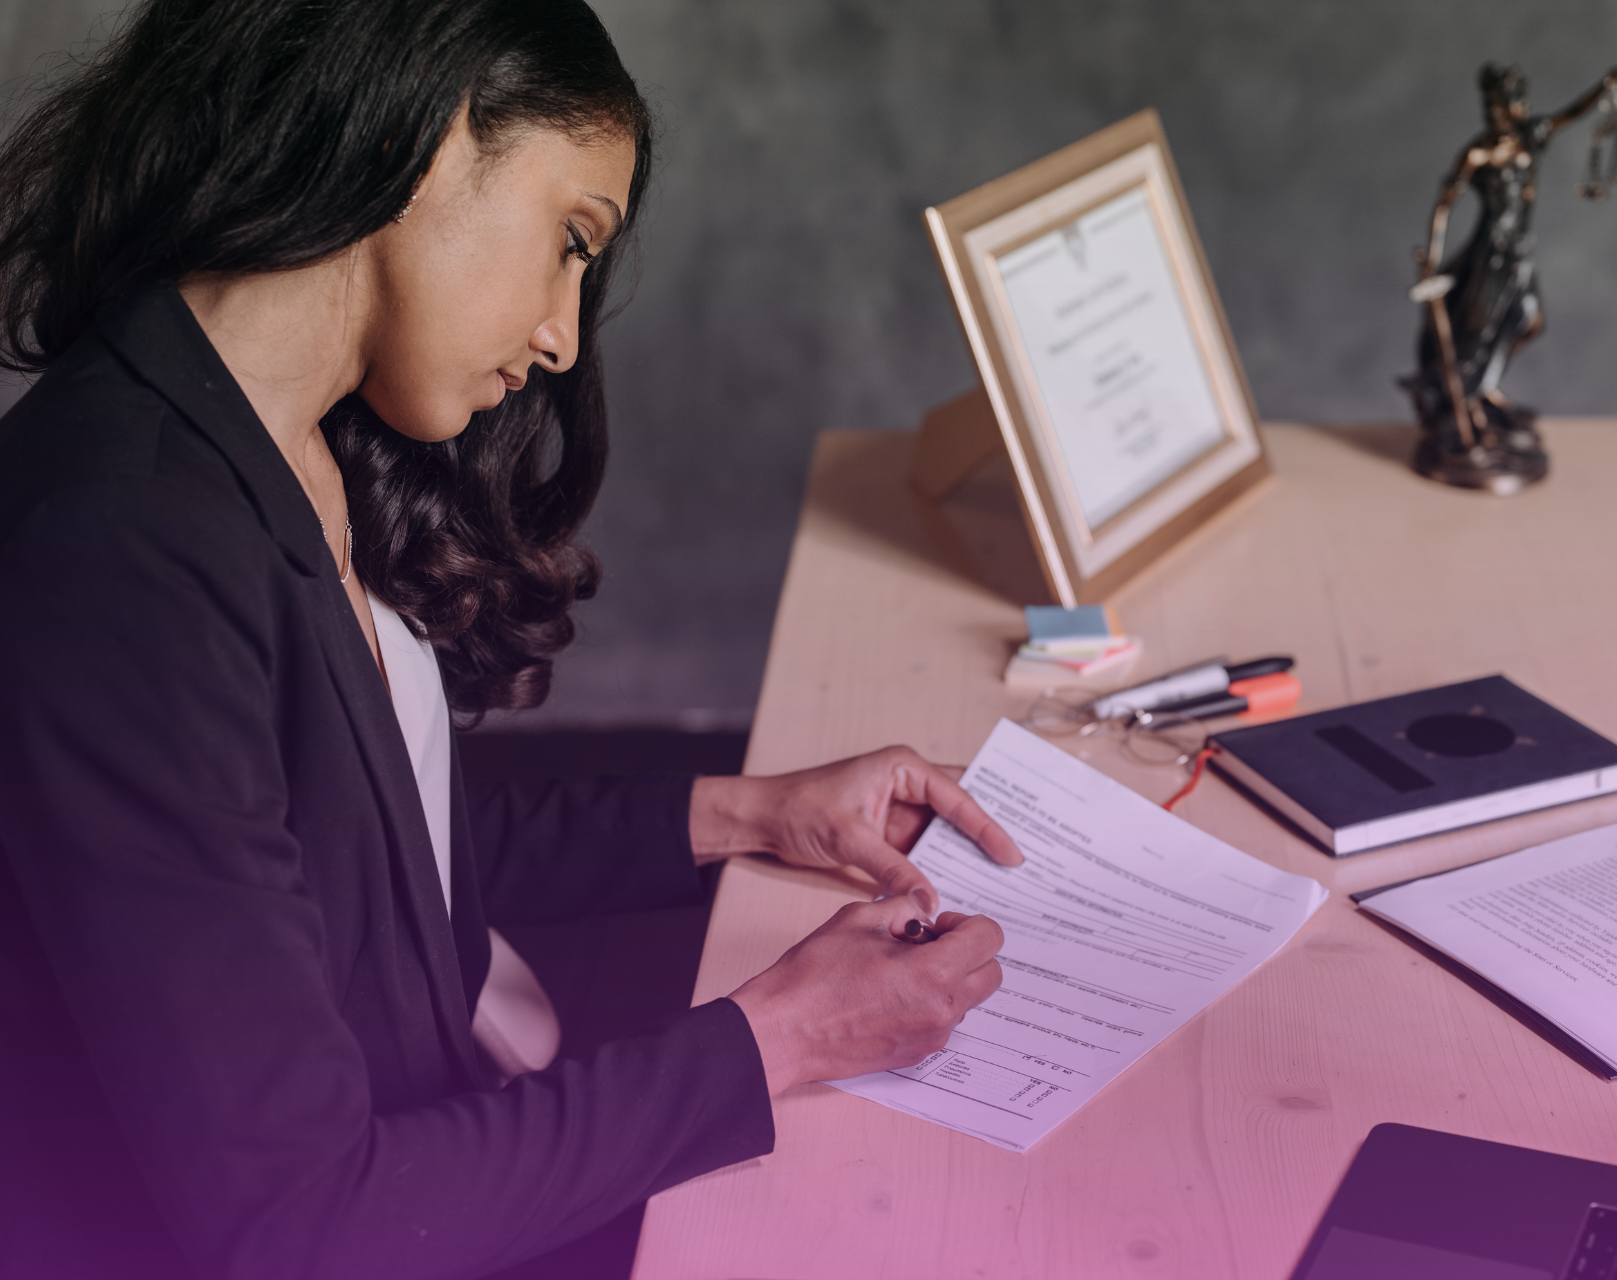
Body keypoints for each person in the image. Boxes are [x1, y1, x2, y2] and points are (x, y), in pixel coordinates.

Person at [0, 2, 1020, 1277]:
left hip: (466, 1131)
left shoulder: (286, 435)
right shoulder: (121, 546)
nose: (561, 334)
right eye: (570, 241)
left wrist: (751, 814)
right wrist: (777, 1040)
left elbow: (354, 866)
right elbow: (300, 1224)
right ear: (431, 135)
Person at [1402, 62, 1617, 491]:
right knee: (1476, 335)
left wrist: (1603, 90)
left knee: (1530, 323)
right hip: (1490, 256)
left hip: (1521, 254)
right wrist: (1431, 254)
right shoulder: (1479, 153)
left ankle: (1486, 386)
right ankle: (1465, 404)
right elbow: (1446, 201)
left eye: (1507, 104)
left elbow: (1569, 114)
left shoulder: (1531, 136)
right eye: (1494, 105)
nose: (1501, 112)